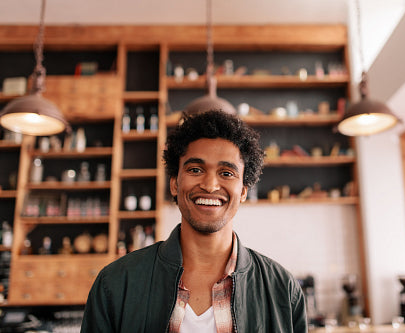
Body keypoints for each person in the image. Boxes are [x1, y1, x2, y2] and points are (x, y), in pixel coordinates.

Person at [81, 110, 307, 332]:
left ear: (244, 191)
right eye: (195, 169)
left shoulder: (283, 291)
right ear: (174, 184)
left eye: (227, 173)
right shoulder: (116, 284)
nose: (210, 185)